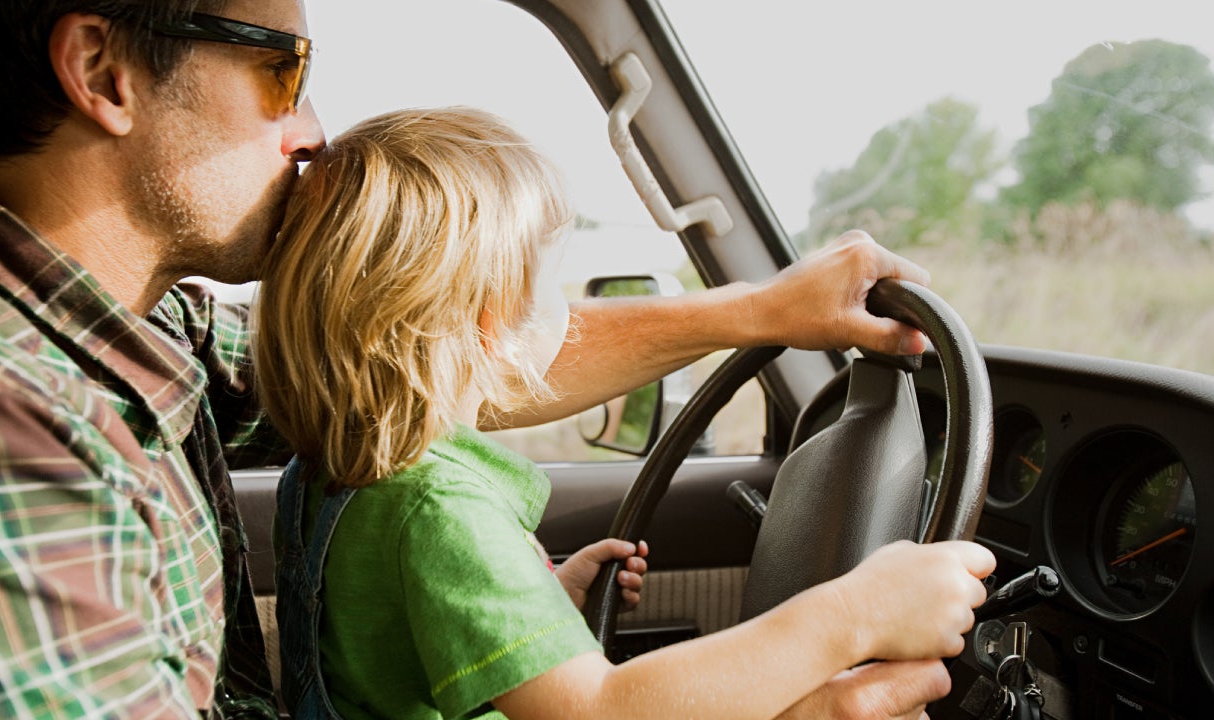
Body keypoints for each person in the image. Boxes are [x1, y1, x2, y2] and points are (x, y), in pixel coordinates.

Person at [0, 1, 970, 717]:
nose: (312, 130)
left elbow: (430, 359)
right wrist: (847, 618)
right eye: (280, 70)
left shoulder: (149, 338)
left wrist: (761, 312)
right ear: (104, 72)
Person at [254, 106, 996, 720]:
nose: (566, 307)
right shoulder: (442, 509)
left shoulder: (324, 473)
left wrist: (539, 607)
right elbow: (602, 711)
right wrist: (854, 615)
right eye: (550, 284)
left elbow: (381, 649)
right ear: (494, 327)